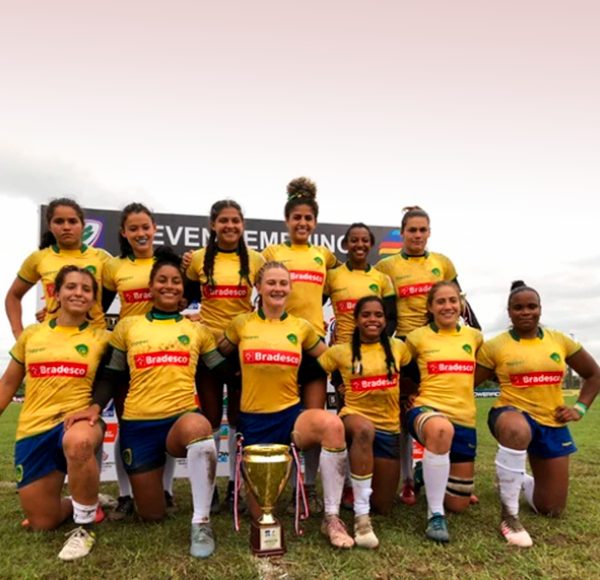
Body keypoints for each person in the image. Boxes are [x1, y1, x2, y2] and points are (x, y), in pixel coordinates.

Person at [70, 250, 224, 558]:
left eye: (176, 282)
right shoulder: (128, 327)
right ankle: (148, 497)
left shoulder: (197, 330)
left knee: (200, 427)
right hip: (138, 427)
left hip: (179, 421)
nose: (170, 286)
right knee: (152, 515)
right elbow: (111, 375)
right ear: (150, 288)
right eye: (162, 281)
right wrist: (95, 406)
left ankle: (201, 521)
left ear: (183, 289)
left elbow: (223, 372)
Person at [218, 261, 354, 548]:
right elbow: (218, 355)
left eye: (283, 283)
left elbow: (328, 359)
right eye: (271, 283)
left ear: (290, 288)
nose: (277, 288)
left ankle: (331, 517)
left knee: (331, 425)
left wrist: (348, 373)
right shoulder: (241, 324)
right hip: (254, 421)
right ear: (258, 286)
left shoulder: (300, 327)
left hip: (290, 417)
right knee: (261, 515)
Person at [475, 280, 600, 547]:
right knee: (516, 430)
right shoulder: (494, 346)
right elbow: (468, 382)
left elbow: (593, 375)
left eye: (532, 306)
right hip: (510, 413)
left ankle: (516, 480)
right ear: (509, 312)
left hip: (551, 421)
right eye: (518, 308)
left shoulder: (560, 340)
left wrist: (579, 407)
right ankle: (509, 515)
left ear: (540, 309)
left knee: (552, 508)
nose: (525, 312)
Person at [0, 266, 110, 560]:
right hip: (34, 428)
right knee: (42, 522)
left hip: (78, 422)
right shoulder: (32, 335)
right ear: (56, 294)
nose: (78, 293)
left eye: (86, 289)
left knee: (79, 442)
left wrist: (94, 407)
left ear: (93, 299)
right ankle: (86, 500)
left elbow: (112, 379)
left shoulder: (103, 338)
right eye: (71, 287)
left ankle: (84, 527)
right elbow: (9, 381)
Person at [375, 206, 480, 505]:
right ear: (403, 232)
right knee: (405, 412)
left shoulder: (443, 263)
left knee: (445, 411)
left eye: (423, 230)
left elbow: (459, 301)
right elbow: (385, 310)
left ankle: (450, 477)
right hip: (409, 345)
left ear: (429, 232)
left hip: (441, 344)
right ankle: (409, 479)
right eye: (412, 230)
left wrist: (473, 328)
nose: (417, 235)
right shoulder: (387, 266)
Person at [262, 177, 340, 512]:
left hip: (314, 348)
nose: (302, 223)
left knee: (313, 417)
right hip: (279, 346)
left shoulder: (324, 255)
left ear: (315, 223)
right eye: (297, 218)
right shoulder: (272, 253)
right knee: (282, 417)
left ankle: (305, 487)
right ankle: (281, 482)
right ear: (287, 221)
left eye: (308, 218)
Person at [185, 199, 264, 511]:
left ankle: (235, 485)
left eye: (236, 221)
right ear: (212, 225)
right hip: (207, 347)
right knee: (211, 418)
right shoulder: (197, 260)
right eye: (224, 221)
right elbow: (184, 296)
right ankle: (209, 488)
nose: (230, 226)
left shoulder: (256, 259)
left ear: (242, 225)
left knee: (238, 419)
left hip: (241, 347)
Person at [102, 203, 179, 520]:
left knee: (170, 420)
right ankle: (124, 495)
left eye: (145, 227)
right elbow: (98, 308)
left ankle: (167, 489)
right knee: (127, 423)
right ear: (124, 233)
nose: (140, 233)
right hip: (129, 353)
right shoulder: (114, 268)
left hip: (164, 354)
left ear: (155, 228)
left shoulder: (168, 264)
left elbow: (183, 297)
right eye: (133, 228)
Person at [317, 296, 411, 548]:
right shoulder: (339, 352)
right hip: (354, 421)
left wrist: (411, 397)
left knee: (384, 506)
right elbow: (310, 372)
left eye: (378, 315)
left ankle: (355, 487)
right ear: (356, 320)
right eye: (366, 315)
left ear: (385, 319)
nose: (373, 319)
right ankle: (361, 517)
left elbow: (415, 375)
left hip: (389, 429)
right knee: (363, 430)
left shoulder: (399, 348)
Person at [405, 281, 483, 543]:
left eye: (453, 300)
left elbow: (488, 369)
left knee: (458, 505)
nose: (448, 306)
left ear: (461, 305)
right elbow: (397, 367)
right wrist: (407, 395)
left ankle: (424, 471)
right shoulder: (417, 337)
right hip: (427, 411)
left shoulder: (474, 337)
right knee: (440, 429)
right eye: (440, 301)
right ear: (430, 307)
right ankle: (434, 514)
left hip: (464, 419)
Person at [5, 198, 110, 338]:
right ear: (49, 225)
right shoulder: (38, 258)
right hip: (53, 338)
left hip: (95, 338)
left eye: (72, 221)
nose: (66, 227)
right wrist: (19, 334)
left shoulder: (102, 258)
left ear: (83, 225)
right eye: (59, 221)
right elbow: (13, 296)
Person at [324, 223, 396, 345]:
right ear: (345, 245)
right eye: (354, 240)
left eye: (365, 240)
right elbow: (314, 305)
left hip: (372, 350)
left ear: (371, 244)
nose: (360, 244)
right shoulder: (332, 276)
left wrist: (380, 341)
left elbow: (392, 318)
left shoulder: (382, 279)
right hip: (341, 349)